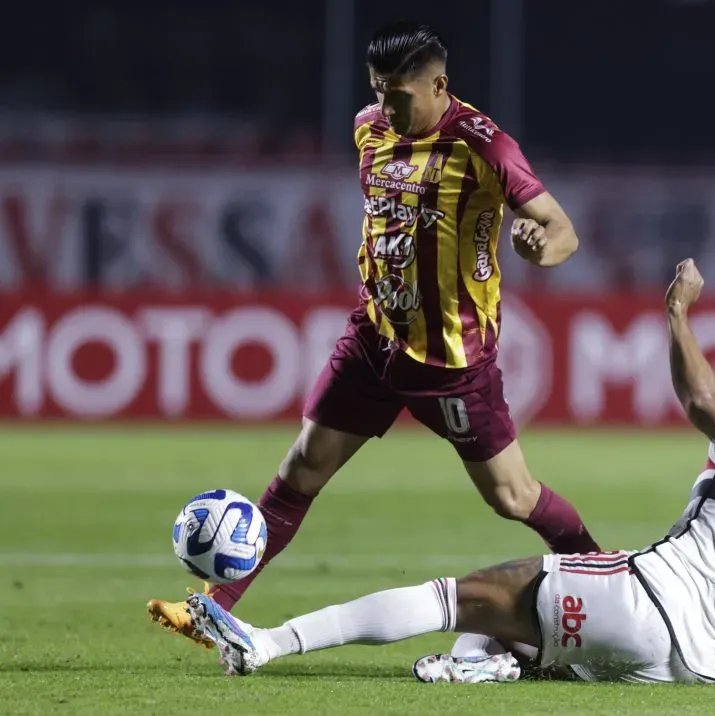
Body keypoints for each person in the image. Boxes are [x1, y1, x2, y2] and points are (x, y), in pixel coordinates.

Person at [181, 259, 715, 687]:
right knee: (539, 626)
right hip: (696, 671)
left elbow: (698, 398)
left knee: (454, 598)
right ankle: (497, 670)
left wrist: (678, 312)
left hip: (648, 600)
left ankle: (269, 644)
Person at [148, 20, 601, 646]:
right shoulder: (369, 128)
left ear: (439, 85)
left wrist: (535, 247)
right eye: (378, 91)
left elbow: (561, 230)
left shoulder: (484, 145)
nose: (387, 107)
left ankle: (604, 577)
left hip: (451, 360)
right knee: (302, 468)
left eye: (400, 95)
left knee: (513, 496)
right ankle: (211, 608)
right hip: (374, 338)